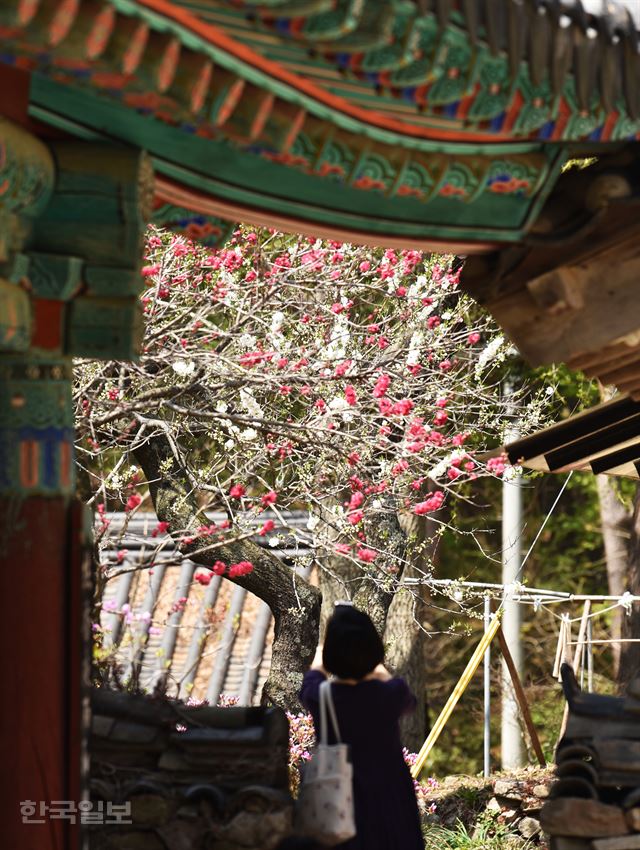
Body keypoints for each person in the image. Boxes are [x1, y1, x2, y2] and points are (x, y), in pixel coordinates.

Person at [299, 603, 424, 850]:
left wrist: (325, 654)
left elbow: (313, 676)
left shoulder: (321, 696)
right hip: (390, 792)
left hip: (339, 796)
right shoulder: (390, 694)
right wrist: (372, 660)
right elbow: (402, 693)